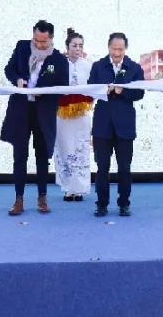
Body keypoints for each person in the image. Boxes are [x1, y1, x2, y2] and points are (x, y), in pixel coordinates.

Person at [1, 20, 70, 216]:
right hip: (21, 110)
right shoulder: (22, 47)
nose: (39, 45)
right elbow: (9, 69)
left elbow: (63, 88)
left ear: (51, 39)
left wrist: (44, 92)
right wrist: (17, 80)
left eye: (43, 42)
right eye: (36, 40)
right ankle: (18, 199)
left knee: (42, 155)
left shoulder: (59, 60)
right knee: (19, 155)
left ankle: (42, 198)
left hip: (44, 112)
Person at [89, 32, 145, 217]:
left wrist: (123, 91)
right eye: (114, 49)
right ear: (108, 47)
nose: (117, 53)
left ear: (125, 48)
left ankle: (124, 204)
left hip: (125, 125)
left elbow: (140, 93)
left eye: (120, 49)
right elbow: (90, 90)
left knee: (124, 168)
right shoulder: (98, 66)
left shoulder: (134, 67)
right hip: (102, 125)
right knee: (102, 168)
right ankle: (101, 204)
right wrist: (105, 90)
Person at [54, 28, 93, 202]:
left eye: (80, 45)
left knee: (81, 149)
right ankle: (68, 189)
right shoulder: (59, 64)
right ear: (67, 47)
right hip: (62, 114)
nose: (77, 49)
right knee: (65, 148)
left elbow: (95, 87)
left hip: (82, 114)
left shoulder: (88, 65)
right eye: (74, 45)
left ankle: (81, 188)